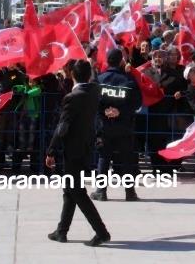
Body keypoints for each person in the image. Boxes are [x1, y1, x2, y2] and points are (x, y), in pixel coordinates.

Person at [45, 60, 110, 246]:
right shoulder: (94, 91)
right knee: (69, 190)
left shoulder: (72, 97)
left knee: (77, 191)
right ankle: (61, 230)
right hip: (86, 149)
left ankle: (101, 232)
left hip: (73, 151)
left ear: (73, 75)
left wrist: (51, 150)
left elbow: (62, 127)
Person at [91, 48, 142, 202]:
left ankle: (101, 191)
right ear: (121, 61)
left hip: (104, 125)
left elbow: (92, 102)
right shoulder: (129, 80)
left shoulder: (99, 79)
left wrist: (106, 111)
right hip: (124, 126)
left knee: (103, 157)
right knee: (127, 158)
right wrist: (120, 112)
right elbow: (137, 103)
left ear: (107, 61)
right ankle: (130, 192)